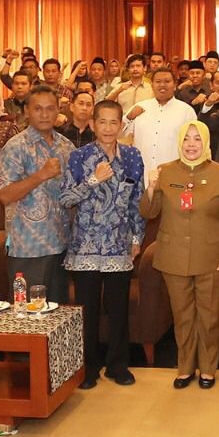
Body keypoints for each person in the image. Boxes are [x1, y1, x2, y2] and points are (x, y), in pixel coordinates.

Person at [142, 120, 219, 389]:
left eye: (197, 139)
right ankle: (184, 367)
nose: (192, 144)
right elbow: (148, 212)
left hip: (211, 257)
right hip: (173, 256)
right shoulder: (165, 172)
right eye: (187, 139)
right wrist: (151, 188)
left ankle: (208, 368)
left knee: (209, 316)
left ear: (205, 142)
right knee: (182, 315)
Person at [60, 101, 145, 388]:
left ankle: (118, 364)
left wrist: (137, 239)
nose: (108, 128)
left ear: (121, 125)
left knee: (118, 307)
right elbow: (66, 198)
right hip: (85, 243)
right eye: (103, 122)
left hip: (119, 245)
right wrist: (92, 181)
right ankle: (88, 368)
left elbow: (137, 201)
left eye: (114, 122)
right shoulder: (79, 157)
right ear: (94, 124)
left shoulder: (132, 157)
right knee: (87, 309)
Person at [0, 84, 75, 304]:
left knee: (58, 316)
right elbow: (5, 195)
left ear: (58, 110)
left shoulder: (66, 146)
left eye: (50, 108)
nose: (44, 114)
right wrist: (41, 175)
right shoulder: (16, 147)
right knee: (29, 320)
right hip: (28, 247)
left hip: (61, 243)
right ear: (26, 111)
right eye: (38, 108)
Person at [125, 68, 197, 184]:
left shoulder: (186, 111)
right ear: (152, 85)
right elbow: (120, 134)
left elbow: (194, 145)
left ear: (175, 85)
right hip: (141, 175)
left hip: (174, 176)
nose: (162, 85)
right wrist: (129, 118)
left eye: (167, 81)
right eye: (158, 81)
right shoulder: (139, 107)